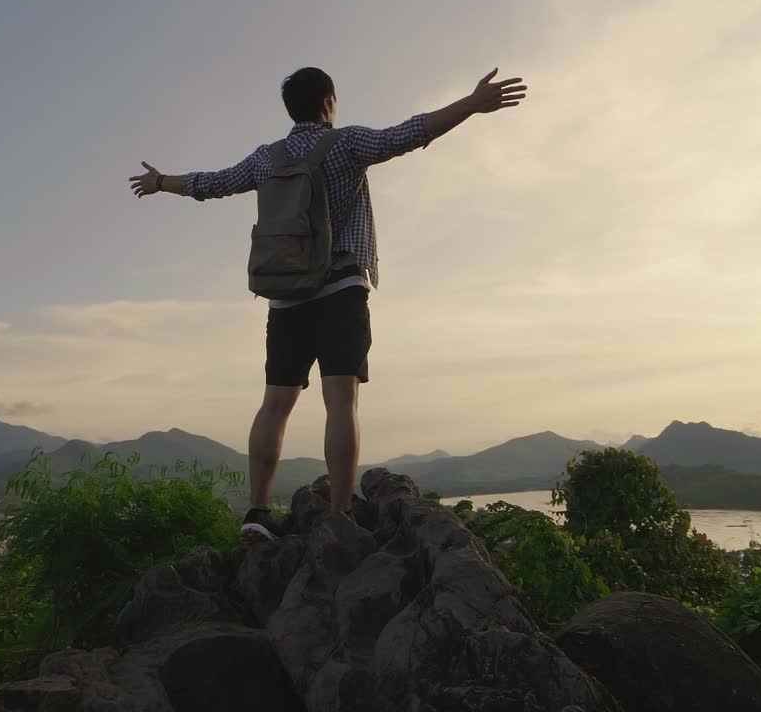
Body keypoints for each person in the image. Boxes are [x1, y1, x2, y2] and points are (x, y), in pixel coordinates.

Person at [128, 67, 527, 540]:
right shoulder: (345, 144)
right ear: (328, 102)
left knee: (274, 406)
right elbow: (412, 132)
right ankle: (340, 513)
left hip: (286, 297)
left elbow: (212, 182)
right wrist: (471, 103)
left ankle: (257, 513)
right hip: (339, 287)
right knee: (341, 401)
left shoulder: (266, 159)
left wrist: (161, 183)